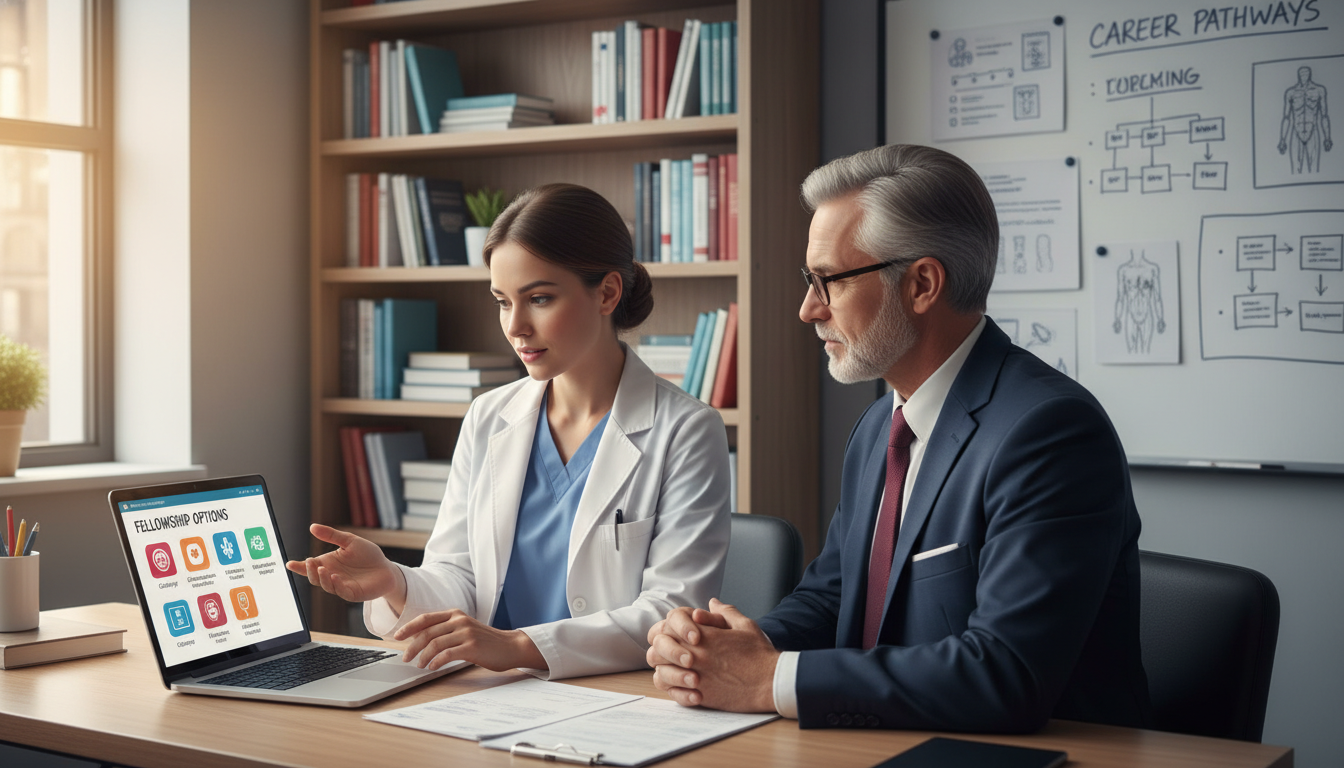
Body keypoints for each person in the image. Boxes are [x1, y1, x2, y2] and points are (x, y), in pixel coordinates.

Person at [645, 145, 1150, 732]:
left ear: (922, 284)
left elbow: (1005, 673)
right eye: (809, 280)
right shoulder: (879, 427)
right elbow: (834, 598)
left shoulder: (1050, 432)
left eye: (828, 281)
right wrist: (727, 648)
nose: (808, 309)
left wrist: (769, 678)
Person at [288, 183, 731, 680]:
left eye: (539, 298)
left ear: (607, 293)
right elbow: (459, 577)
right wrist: (393, 581)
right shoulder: (488, 415)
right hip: (488, 691)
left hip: (613, 694)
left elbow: (671, 611)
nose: (516, 326)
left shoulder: (687, 430)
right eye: (502, 301)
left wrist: (519, 646)